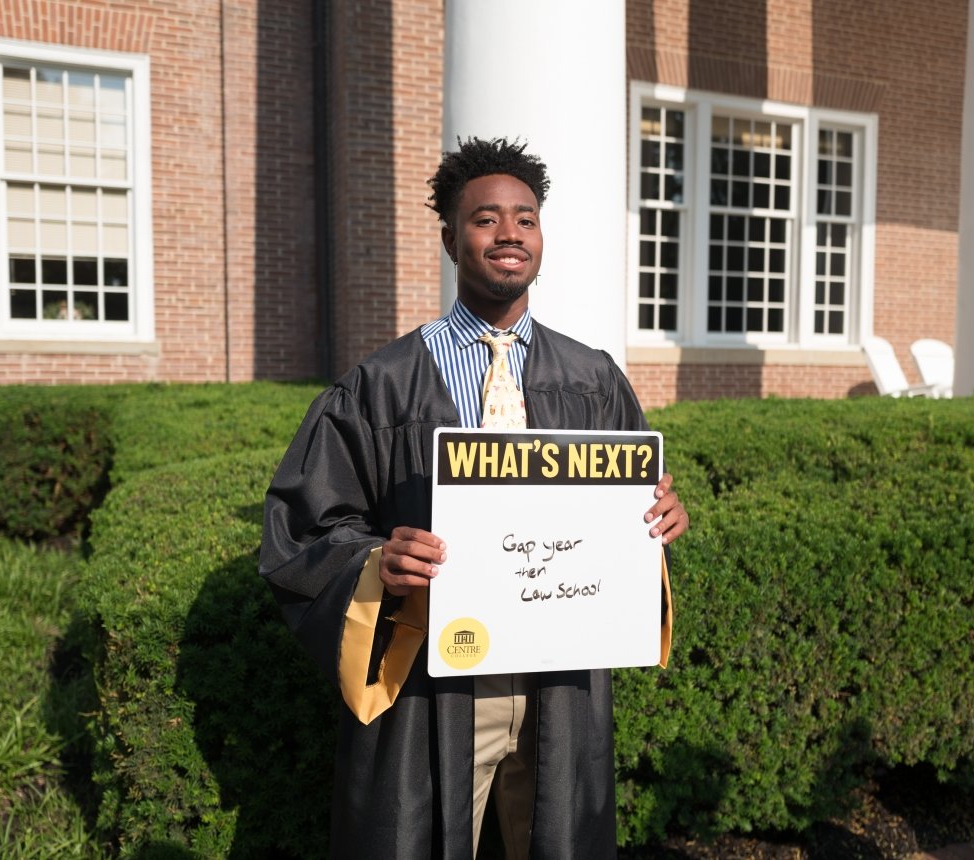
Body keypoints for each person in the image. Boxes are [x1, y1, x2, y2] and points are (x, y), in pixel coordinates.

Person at [259, 136, 689, 860]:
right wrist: (375, 561)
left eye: (525, 217)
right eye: (487, 218)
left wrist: (658, 520)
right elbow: (305, 527)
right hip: (434, 682)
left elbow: (628, 513)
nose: (509, 233)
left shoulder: (592, 378)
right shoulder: (382, 384)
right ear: (451, 237)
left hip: (562, 686)